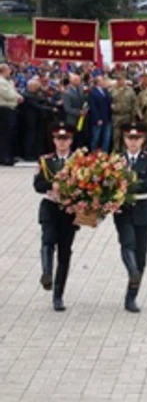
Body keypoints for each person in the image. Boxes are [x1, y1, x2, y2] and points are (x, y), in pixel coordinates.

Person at [114, 122, 147, 313]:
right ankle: (132, 273)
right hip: (123, 208)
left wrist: (126, 185)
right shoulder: (116, 159)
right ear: (124, 140)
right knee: (127, 243)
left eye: (137, 138)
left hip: (142, 207)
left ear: (142, 140)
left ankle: (131, 297)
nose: (133, 142)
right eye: (129, 138)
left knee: (141, 255)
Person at [33, 122, 79, 311]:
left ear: (71, 140)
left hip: (68, 211)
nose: (62, 142)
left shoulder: (79, 161)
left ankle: (58, 296)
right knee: (48, 240)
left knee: (65, 252)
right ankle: (47, 273)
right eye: (59, 138)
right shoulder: (45, 160)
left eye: (66, 138)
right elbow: (37, 185)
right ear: (53, 140)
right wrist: (52, 186)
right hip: (50, 207)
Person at [0, 63, 24, 165]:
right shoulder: (1, 81)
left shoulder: (8, 81)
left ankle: (9, 156)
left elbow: (14, 91)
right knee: (5, 135)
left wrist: (18, 96)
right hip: (4, 109)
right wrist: (17, 98)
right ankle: (5, 158)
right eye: (9, 70)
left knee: (10, 135)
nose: (11, 71)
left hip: (11, 109)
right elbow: (7, 94)